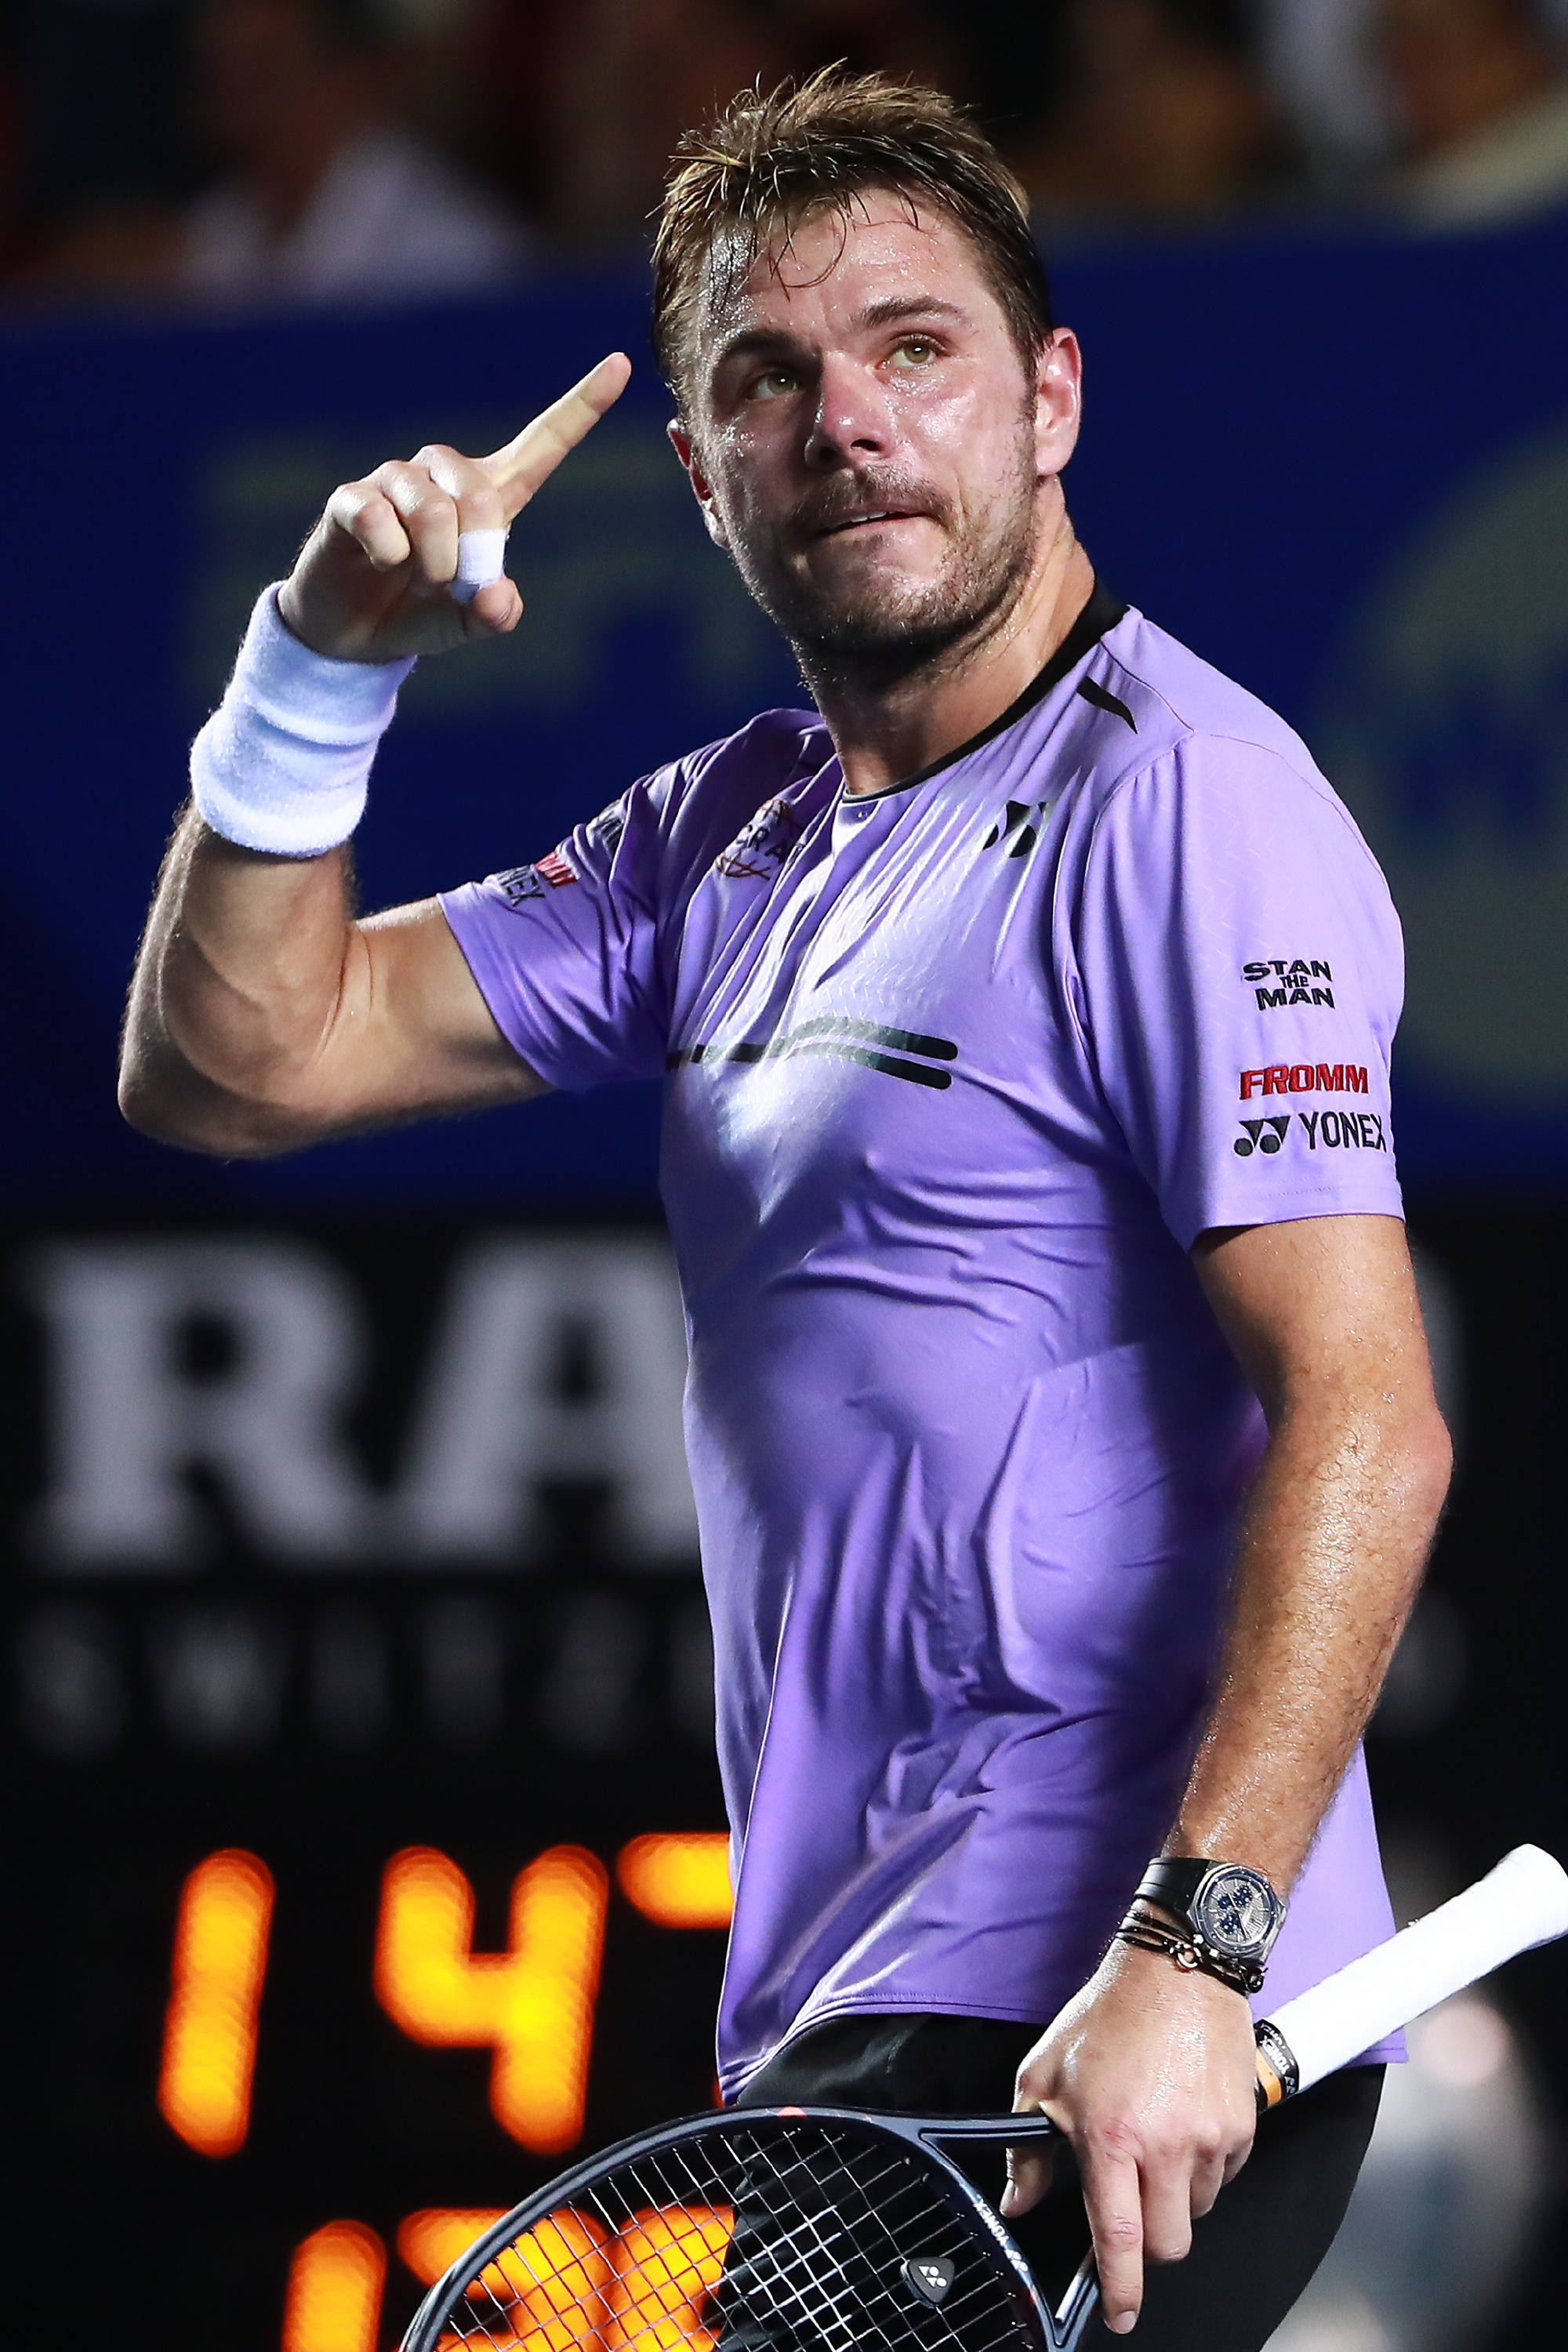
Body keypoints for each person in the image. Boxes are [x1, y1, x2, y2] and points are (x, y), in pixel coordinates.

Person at [118, 71, 1452, 2349]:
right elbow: (237, 1062)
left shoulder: (1194, 811)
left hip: (1094, 2025)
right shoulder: (719, 839)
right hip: (858, 2024)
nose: (847, 420)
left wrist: (1192, 1952)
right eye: (770, 377)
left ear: (1050, 399)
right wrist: (316, 667)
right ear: (701, 474)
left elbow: (1369, 1416)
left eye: (916, 349)